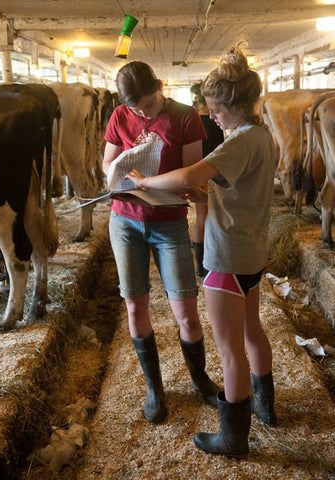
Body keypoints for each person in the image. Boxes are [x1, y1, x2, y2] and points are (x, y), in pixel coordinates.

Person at [127, 47, 277, 457]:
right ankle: (266, 406)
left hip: (225, 256)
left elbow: (193, 171)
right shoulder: (262, 136)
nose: (212, 117)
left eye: (215, 110)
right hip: (252, 251)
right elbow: (234, 189)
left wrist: (147, 181)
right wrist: (198, 195)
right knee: (252, 331)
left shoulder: (237, 142)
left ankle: (233, 438)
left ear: (232, 105)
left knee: (229, 351)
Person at [103, 61, 219, 424]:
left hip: (169, 223)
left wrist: (151, 182)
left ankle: (200, 378)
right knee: (135, 306)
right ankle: (155, 388)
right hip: (125, 221)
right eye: (135, 107)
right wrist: (121, 170)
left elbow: (191, 180)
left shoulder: (185, 117)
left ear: (160, 86)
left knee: (185, 309)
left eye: (148, 105)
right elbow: (106, 164)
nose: (142, 112)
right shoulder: (120, 116)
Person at [190, 83, 224, 277]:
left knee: (200, 218)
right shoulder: (215, 121)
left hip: (196, 172)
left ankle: (200, 267)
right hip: (213, 173)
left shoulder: (191, 119)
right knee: (212, 218)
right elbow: (220, 148)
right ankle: (210, 262)